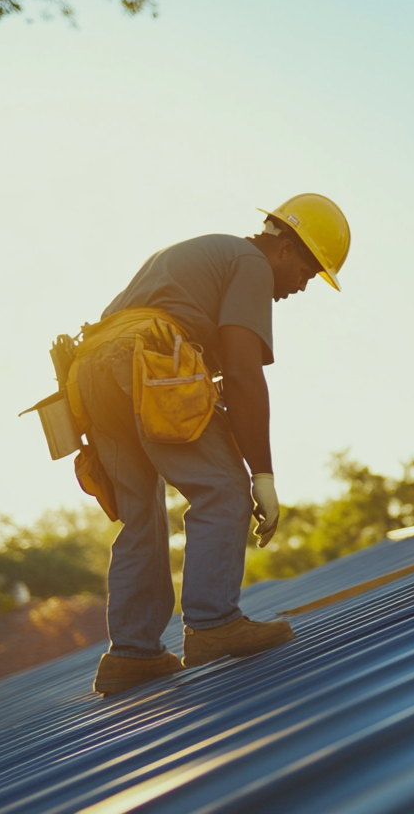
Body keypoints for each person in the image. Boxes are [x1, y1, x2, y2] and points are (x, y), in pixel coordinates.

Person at [68, 194, 351, 695]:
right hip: (147, 358)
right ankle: (212, 623)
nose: (302, 287)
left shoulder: (203, 257)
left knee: (140, 515)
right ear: (284, 247)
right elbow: (243, 374)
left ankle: (132, 654)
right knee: (223, 489)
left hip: (92, 373)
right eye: (307, 272)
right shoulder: (249, 264)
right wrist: (260, 475)